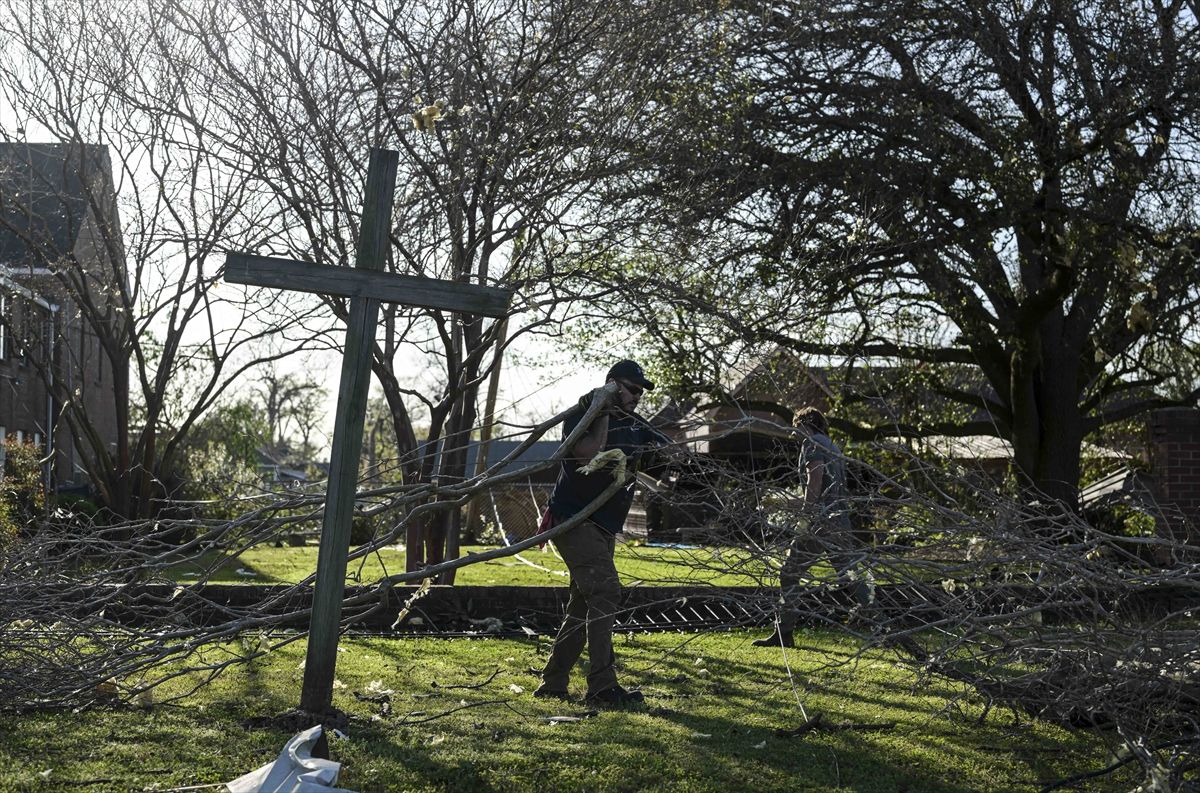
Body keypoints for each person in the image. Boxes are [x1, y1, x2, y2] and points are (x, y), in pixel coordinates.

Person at [534, 359, 669, 705]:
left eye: (641, 392)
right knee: (606, 591)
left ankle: (553, 683)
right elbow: (585, 455)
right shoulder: (583, 413)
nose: (637, 397)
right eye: (631, 389)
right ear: (612, 384)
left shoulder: (637, 425)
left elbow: (663, 461)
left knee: (583, 605)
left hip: (604, 526)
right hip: (574, 520)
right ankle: (602, 687)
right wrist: (603, 409)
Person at [754, 406, 869, 648]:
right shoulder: (831, 445)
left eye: (796, 428)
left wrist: (790, 507)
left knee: (789, 573)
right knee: (850, 575)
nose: (794, 434)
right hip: (840, 521)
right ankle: (883, 624)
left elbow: (813, 485)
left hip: (820, 523)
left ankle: (783, 633)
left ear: (804, 424)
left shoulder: (813, 444)